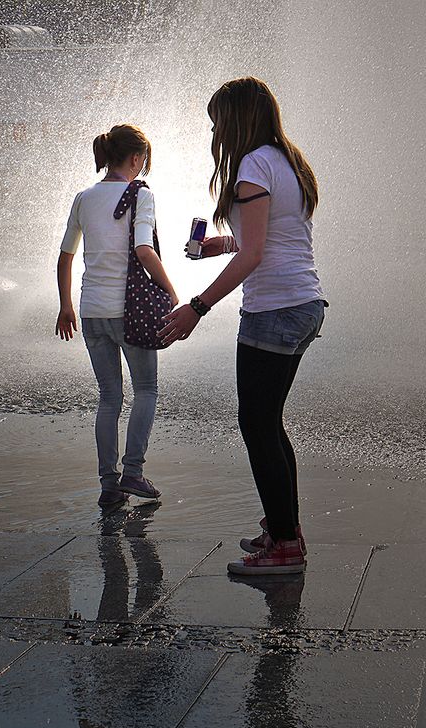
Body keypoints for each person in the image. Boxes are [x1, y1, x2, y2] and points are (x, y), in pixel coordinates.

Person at [159, 77, 327, 574]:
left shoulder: (253, 163)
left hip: (274, 309)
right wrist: (220, 245)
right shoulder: (286, 160)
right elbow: (271, 237)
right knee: (268, 422)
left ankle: (285, 548)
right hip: (303, 304)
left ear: (235, 121)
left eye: (217, 121)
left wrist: (198, 306)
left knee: (256, 425)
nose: (214, 131)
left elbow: (256, 254)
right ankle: (284, 529)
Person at [56, 124, 179, 509]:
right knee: (146, 390)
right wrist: (172, 292)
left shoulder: (83, 197)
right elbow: (144, 250)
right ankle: (134, 472)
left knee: (109, 397)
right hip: (131, 313)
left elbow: (65, 257)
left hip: (92, 312)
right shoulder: (141, 194)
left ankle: (109, 484)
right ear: (136, 158)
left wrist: (66, 305)